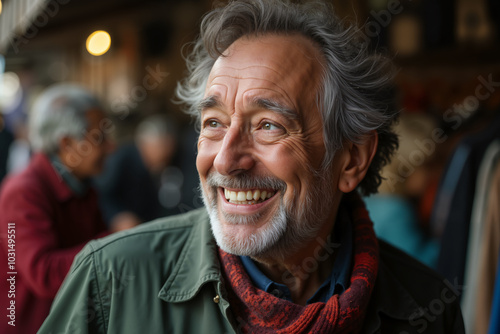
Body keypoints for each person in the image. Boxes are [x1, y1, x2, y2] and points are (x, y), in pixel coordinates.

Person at [38, 1, 465, 333]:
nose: (225, 159)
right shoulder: (110, 281)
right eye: (214, 124)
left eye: (268, 125)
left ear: (351, 159)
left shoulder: (424, 307)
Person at [0, 84, 112, 334]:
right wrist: (116, 241)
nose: (110, 147)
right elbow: (45, 273)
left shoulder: (84, 187)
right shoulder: (23, 192)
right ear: (67, 143)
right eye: (100, 138)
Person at [93, 114, 178, 231]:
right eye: (163, 147)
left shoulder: (157, 169)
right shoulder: (122, 159)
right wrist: (117, 216)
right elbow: (102, 193)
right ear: (147, 144)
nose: (167, 156)